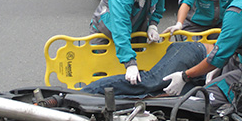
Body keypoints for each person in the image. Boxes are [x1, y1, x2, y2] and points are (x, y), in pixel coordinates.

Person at [81, 42, 211, 98]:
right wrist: (130, 63)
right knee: (151, 81)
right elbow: (217, 58)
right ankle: (82, 94)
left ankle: (96, 101)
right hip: (198, 55)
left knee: (154, 98)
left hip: (200, 80)